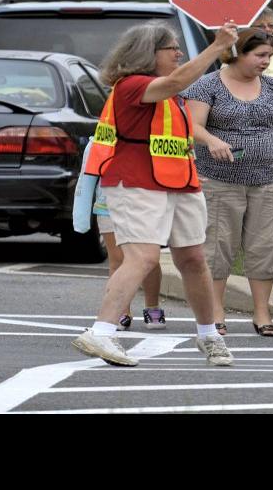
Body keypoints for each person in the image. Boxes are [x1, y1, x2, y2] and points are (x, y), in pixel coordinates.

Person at [72, 20, 239, 367]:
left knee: (193, 259)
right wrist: (216, 47)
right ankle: (101, 332)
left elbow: (175, 133)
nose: (179, 53)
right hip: (136, 182)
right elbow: (178, 80)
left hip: (180, 182)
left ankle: (209, 336)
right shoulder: (132, 85)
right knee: (142, 258)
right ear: (149, 53)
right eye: (172, 48)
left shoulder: (169, 93)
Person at [186, 28, 273, 338]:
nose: (266, 62)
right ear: (237, 53)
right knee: (218, 246)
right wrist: (211, 140)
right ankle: (216, 312)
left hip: (266, 180)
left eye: (269, 56)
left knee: (265, 246)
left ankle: (262, 312)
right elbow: (192, 125)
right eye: (260, 55)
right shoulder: (207, 85)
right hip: (220, 179)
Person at [73, 138, 163, 331]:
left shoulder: (151, 135)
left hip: (145, 206)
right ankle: (122, 310)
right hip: (108, 207)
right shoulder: (98, 141)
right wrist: (80, 219)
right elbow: (86, 178)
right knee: (118, 260)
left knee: (150, 259)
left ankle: (152, 306)